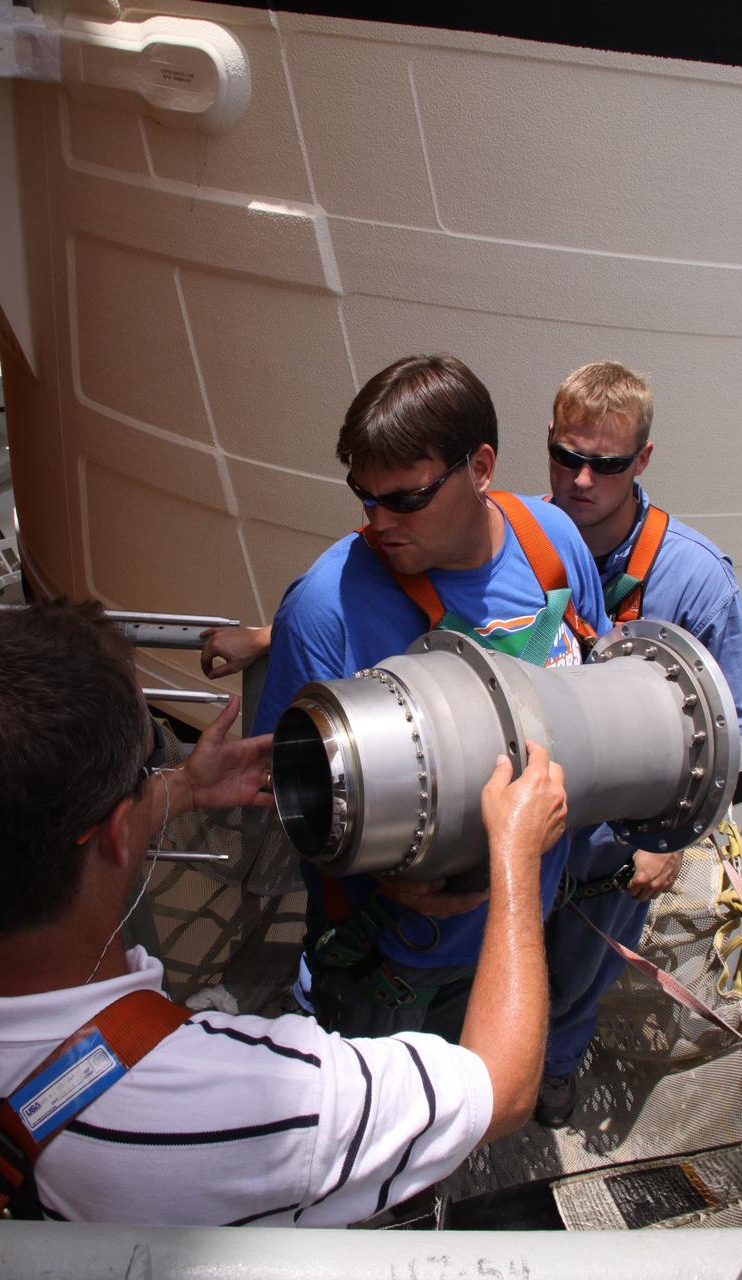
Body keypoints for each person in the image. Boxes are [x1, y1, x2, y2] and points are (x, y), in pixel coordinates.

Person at [0, 598, 567, 1226]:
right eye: (147, 772)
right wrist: (516, 855)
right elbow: (502, 1086)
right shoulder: (244, 1106)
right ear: (116, 831)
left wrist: (179, 787)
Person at [250, 353, 609, 1042]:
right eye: (364, 495)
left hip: (522, 927)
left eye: (406, 499)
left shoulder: (551, 541)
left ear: (479, 468)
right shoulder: (327, 609)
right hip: (396, 966)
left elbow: (589, 688)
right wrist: (382, 881)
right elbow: (279, 797)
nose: (379, 521)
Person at [538, 359, 742, 1127]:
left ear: (643, 461)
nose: (580, 480)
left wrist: (671, 843)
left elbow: (730, 727)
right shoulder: (515, 543)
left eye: (605, 463)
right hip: (523, 813)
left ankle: (555, 1069)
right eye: (565, 456)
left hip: (610, 845)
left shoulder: (693, 580)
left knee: (576, 972)